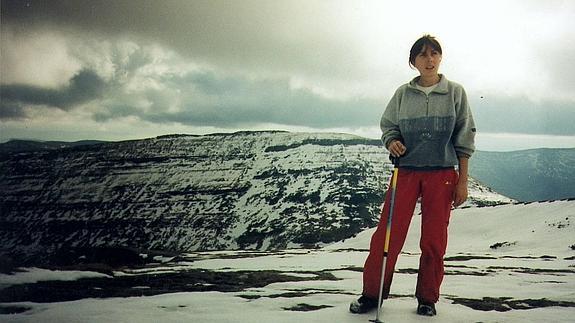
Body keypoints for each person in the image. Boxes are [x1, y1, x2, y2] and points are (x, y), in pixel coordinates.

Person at [350, 34, 476, 316]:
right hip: (405, 171)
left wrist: (463, 181)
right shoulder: (402, 95)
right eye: (422, 55)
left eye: (434, 54)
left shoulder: (455, 93)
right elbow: (388, 127)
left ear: (440, 58)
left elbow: (464, 139)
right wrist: (391, 141)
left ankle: (427, 299)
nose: (429, 60)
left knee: (434, 239)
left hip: (442, 173)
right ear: (413, 62)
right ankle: (372, 295)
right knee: (387, 236)